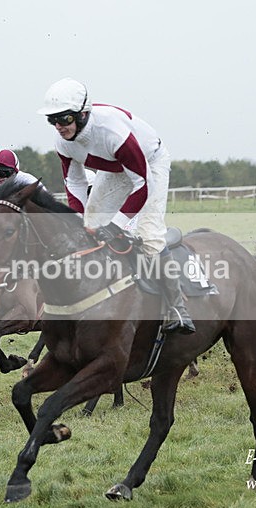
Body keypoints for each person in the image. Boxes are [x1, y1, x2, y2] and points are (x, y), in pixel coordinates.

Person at [37, 77, 195, 334]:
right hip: (114, 168)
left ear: (83, 113)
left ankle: (178, 308)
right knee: (88, 226)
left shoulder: (112, 133)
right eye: (52, 119)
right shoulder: (62, 142)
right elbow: (75, 183)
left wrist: (116, 225)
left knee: (149, 234)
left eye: (65, 118)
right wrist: (79, 221)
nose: (58, 126)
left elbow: (143, 185)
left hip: (149, 165)